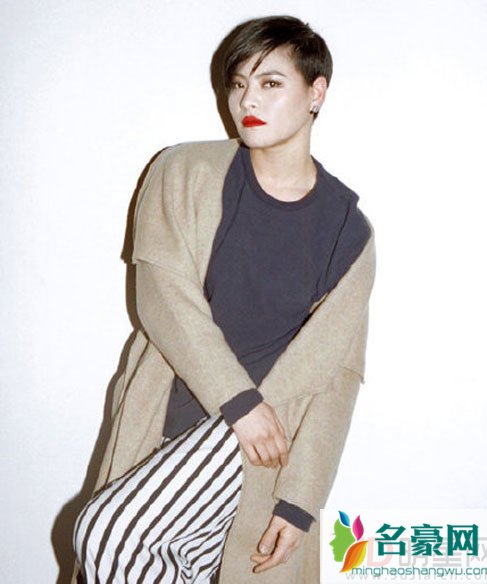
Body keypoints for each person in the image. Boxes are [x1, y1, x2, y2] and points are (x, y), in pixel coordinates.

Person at [72, 15, 376, 584]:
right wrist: (235, 400)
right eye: (238, 84)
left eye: (270, 83)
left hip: (261, 439)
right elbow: (162, 294)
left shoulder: (346, 229)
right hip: (167, 414)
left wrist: (300, 500)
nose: (246, 100)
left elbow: (338, 376)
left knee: (109, 532)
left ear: (317, 92)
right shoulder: (185, 170)